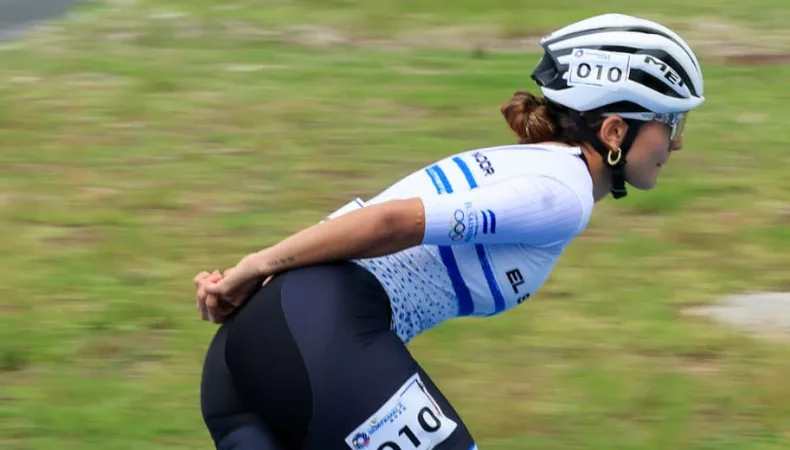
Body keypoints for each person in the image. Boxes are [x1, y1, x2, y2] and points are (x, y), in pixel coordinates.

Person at [194, 13, 705, 450]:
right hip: (315, 338)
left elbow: (367, 219)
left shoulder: (529, 163)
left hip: (252, 357)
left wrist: (262, 294)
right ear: (616, 131)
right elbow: (388, 222)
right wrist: (253, 268)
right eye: (672, 124)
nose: (677, 144)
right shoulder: (563, 192)